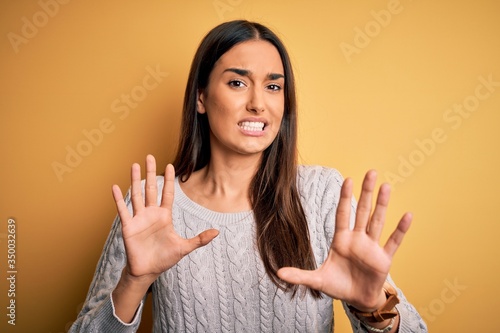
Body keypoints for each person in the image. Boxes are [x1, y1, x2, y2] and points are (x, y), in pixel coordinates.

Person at [70, 20, 427, 332]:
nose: (259, 103)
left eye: (273, 86)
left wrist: (373, 307)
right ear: (201, 97)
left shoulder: (321, 196)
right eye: (238, 83)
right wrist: (134, 281)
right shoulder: (153, 205)